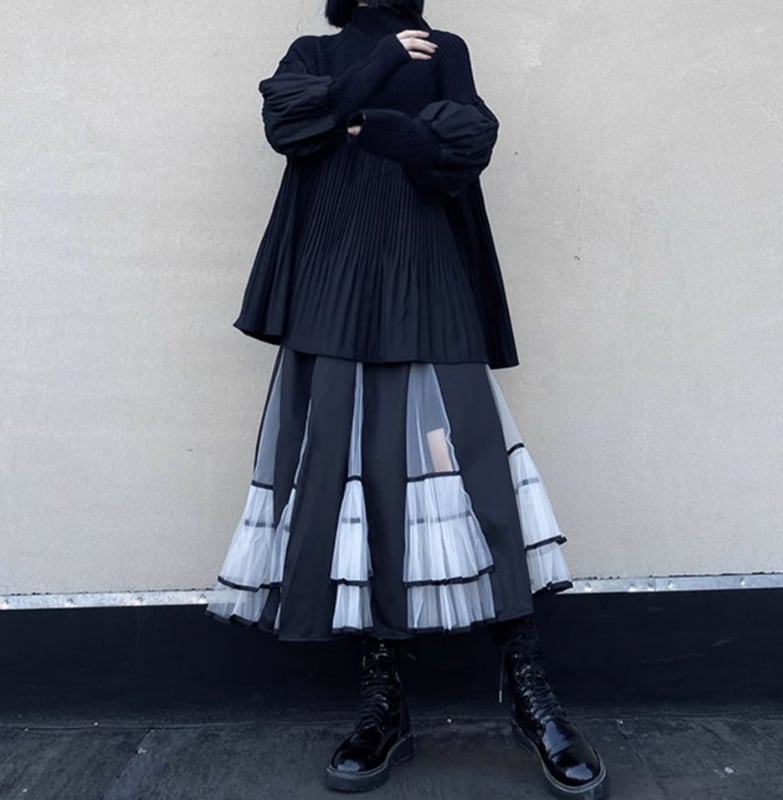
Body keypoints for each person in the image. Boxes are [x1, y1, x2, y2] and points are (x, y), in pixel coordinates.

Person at [207, 1, 609, 797]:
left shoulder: (444, 48)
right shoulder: (314, 53)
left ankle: (528, 688)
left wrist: (389, 130)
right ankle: (384, 698)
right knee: (353, 484)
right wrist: (381, 66)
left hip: (427, 277)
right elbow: (291, 125)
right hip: (333, 288)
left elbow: (465, 147)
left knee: (478, 477)